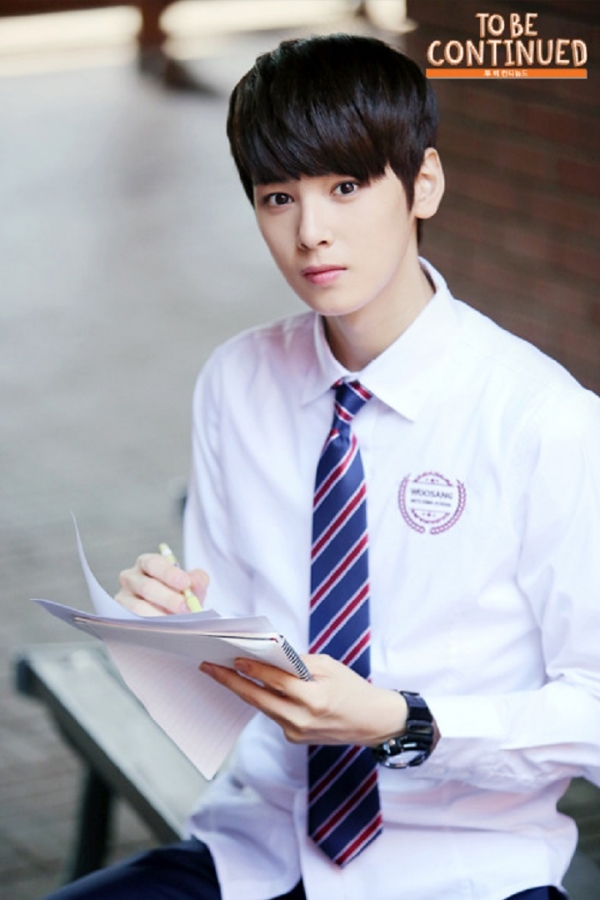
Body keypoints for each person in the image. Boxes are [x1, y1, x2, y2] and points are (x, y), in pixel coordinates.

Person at [44, 33, 600, 900]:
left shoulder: (545, 421)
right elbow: (240, 657)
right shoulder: (236, 381)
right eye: (278, 197)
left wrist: (401, 721)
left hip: (464, 870)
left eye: (346, 187)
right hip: (256, 851)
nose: (311, 232)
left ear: (423, 183)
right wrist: (175, 627)